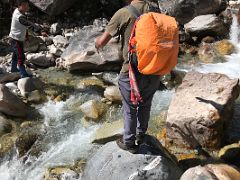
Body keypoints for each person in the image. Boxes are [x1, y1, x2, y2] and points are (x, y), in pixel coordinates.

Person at [95, 0, 160, 153]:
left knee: (130, 108)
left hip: (132, 71)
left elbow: (102, 41)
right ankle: (141, 135)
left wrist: (96, 44)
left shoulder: (123, 13)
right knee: (145, 104)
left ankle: (129, 142)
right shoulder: (156, 10)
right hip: (155, 69)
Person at [9, 0, 47, 78]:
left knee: (16, 54)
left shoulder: (18, 11)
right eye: (25, 5)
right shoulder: (19, 16)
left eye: (27, 5)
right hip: (16, 40)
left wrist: (26, 35)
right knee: (21, 56)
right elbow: (28, 24)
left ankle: (13, 69)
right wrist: (40, 30)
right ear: (19, 6)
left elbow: (23, 25)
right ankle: (23, 74)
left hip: (15, 38)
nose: (27, 7)